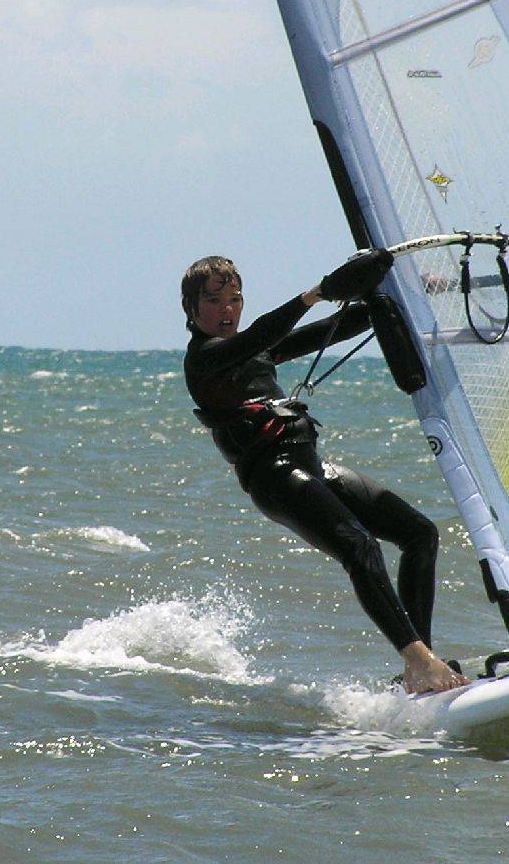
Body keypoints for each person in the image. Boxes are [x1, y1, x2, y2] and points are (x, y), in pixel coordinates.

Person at [181, 252, 468, 695]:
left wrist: (400, 293)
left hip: (311, 466)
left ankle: (418, 666)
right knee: (359, 546)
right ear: (192, 308)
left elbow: (335, 328)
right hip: (274, 477)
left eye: (234, 299)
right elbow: (261, 333)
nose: (227, 309)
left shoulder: (256, 350)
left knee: (419, 534)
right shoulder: (204, 359)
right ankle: (420, 662)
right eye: (214, 300)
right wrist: (316, 294)